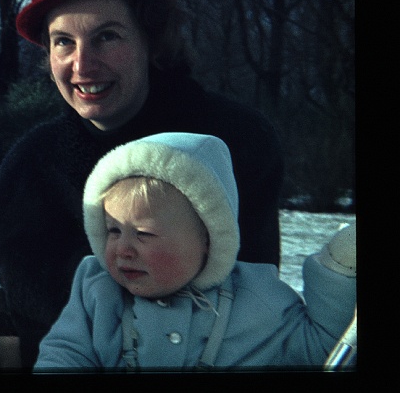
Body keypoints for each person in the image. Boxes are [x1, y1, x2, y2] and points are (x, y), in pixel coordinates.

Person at [0, 0, 285, 369]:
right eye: (64, 42)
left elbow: (251, 302)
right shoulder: (28, 169)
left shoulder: (237, 141)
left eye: (106, 36)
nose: (82, 64)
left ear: (150, 37)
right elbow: (39, 317)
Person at [35, 132, 356, 370]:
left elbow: (322, 349)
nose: (123, 249)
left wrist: (339, 267)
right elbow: (64, 354)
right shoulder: (97, 292)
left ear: (208, 238)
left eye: (144, 233)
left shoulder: (256, 296)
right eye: (113, 230)